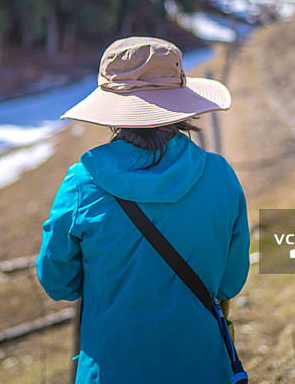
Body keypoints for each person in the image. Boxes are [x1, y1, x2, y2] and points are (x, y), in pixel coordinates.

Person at [36, 36, 250, 384]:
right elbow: (230, 281)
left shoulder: (82, 183)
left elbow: (57, 281)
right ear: (180, 104)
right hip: (203, 368)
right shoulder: (220, 175)